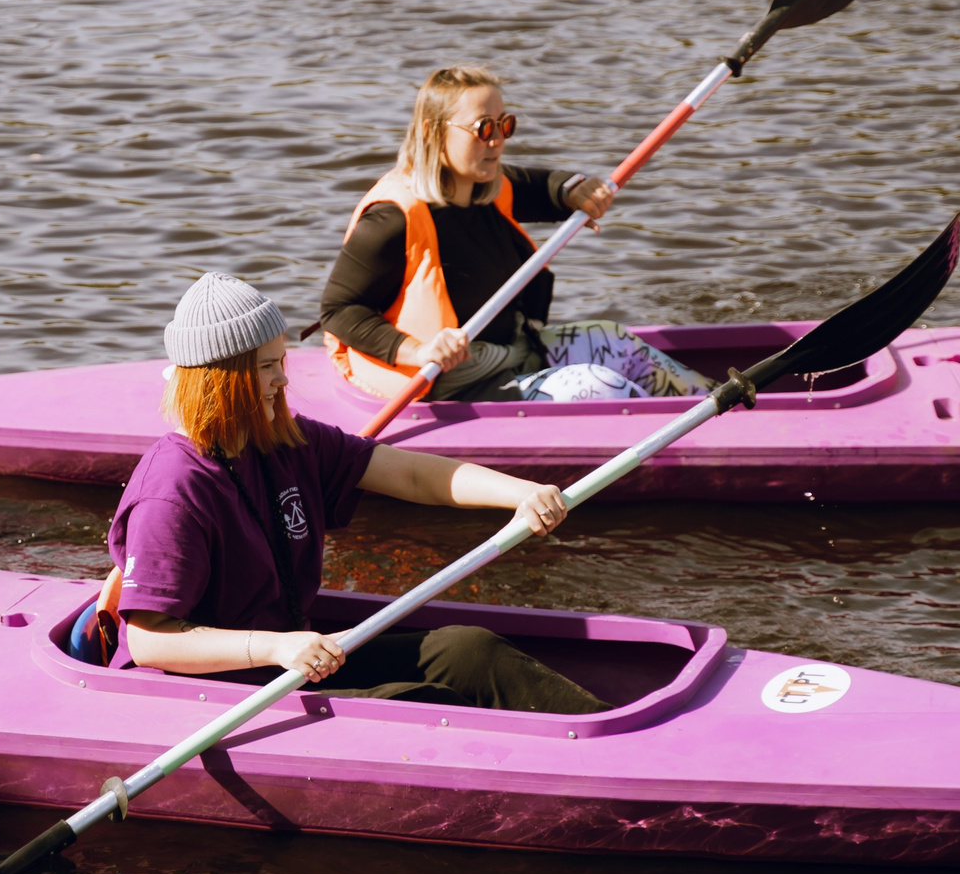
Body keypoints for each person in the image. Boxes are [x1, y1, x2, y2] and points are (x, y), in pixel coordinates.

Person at [96, 272, 609, 715]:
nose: (282, 381)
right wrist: (275, 648)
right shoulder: (172, 491)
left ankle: (613, 737)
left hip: (293, 658)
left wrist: (518, 494)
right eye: (266, 367)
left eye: (282, 362)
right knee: (423, 702)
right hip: (220, 688)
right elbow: (149, 640)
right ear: (221, 381)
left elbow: (411, 475)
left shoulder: (284, 438)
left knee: (472, 650)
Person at [318, 64, 709, 403]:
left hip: (511, 352)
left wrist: (572, 190)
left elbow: (540, 186)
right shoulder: (392, 219)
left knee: (614, 340)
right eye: (483, 128)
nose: (497, 141)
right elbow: (338, 310)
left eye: (505, 124)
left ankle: (719, 404)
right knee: (596, 385)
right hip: (449, 384)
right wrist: (418, 351)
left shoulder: (484, 186)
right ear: (432, 132)